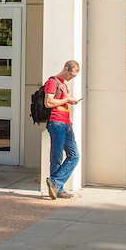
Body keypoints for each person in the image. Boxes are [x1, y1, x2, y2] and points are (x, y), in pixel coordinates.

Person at [44, 59, 80, 199]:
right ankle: (58, 188)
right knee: (56, 157)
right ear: (66, 68)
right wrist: (67, 100)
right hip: (56, 123)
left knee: (74, 156)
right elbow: (48, 102)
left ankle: (56, 183)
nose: (72, 78)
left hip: (66, 124)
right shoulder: (53, 82)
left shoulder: (64, 85)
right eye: (72, 74)